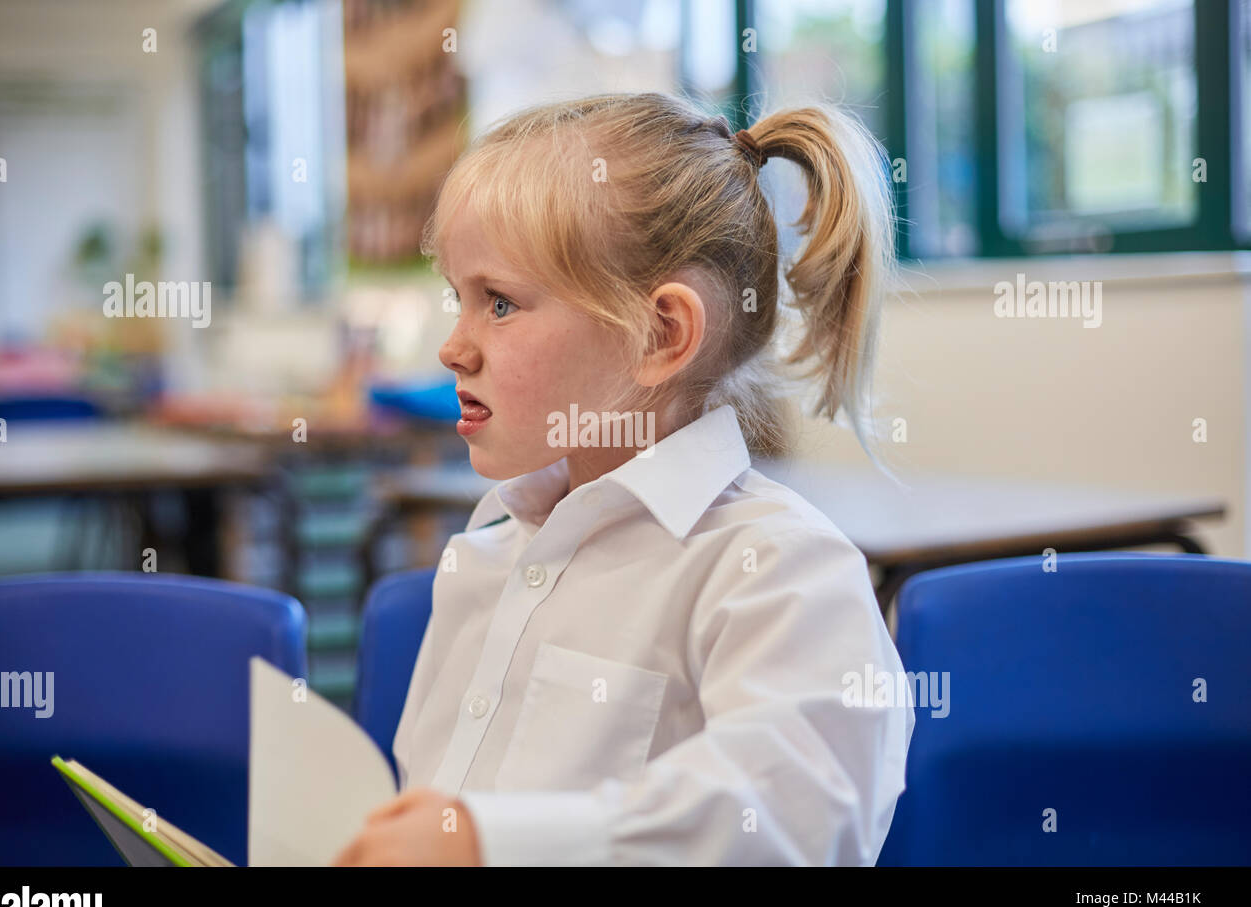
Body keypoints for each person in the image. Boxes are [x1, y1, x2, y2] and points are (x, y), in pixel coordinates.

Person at [332, 92, 915, 866]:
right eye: (458, 299)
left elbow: (789, 814)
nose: (452, 348)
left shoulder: (780, 573)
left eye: (499, 303)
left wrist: (489, 844)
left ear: (661, 335)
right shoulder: (486, 555)